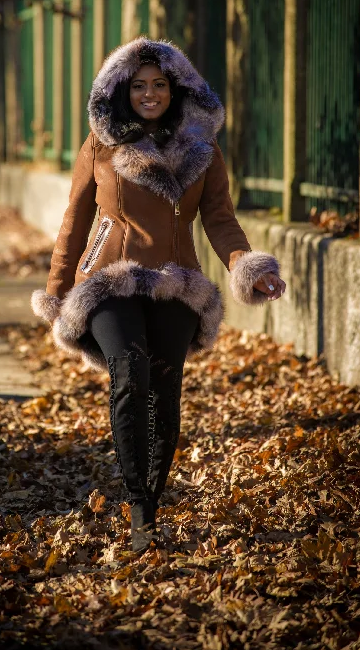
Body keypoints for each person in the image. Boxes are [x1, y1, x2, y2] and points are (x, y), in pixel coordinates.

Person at [31, 37, 286, 553]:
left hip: (177, 281)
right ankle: (137, 508)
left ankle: (153, 499)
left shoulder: (202, 149)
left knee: (164, 389)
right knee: (131, 369)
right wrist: (58, 289)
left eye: (160, 85)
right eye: (140, 85)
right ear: (123, 90)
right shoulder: (100, 145)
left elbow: (220, 218)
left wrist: (247, 266)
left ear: (177, 90)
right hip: (108, 278)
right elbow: (75, 219)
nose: (150, 94)